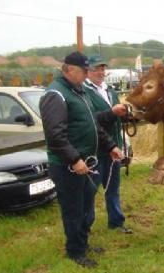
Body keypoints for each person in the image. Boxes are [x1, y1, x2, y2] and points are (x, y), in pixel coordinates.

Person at [39, 51, 123, 268]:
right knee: (74, 210)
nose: (87, 74)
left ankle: (83, 243)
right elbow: (56, 136)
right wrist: (75, 160)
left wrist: (111, 145)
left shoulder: (79, 92)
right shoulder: (55, 95)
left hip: (86, 164)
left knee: (86, 207)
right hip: (68, 167)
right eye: (84, 71)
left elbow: (94, 126)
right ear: (69, 69)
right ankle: (75, 251)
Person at [83, 55, 133, 234]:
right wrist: (112, 112)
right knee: (90, 190)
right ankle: (85, 226)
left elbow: (115, 117)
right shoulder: (84, 92)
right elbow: (90, 121)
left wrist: (125, 114)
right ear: (87, 71)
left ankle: (116, 222)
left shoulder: (110, 91)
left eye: (103, 68)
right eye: (97, 68)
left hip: (114, 149)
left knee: (113, 188)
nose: (101, 72)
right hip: (95, 150)